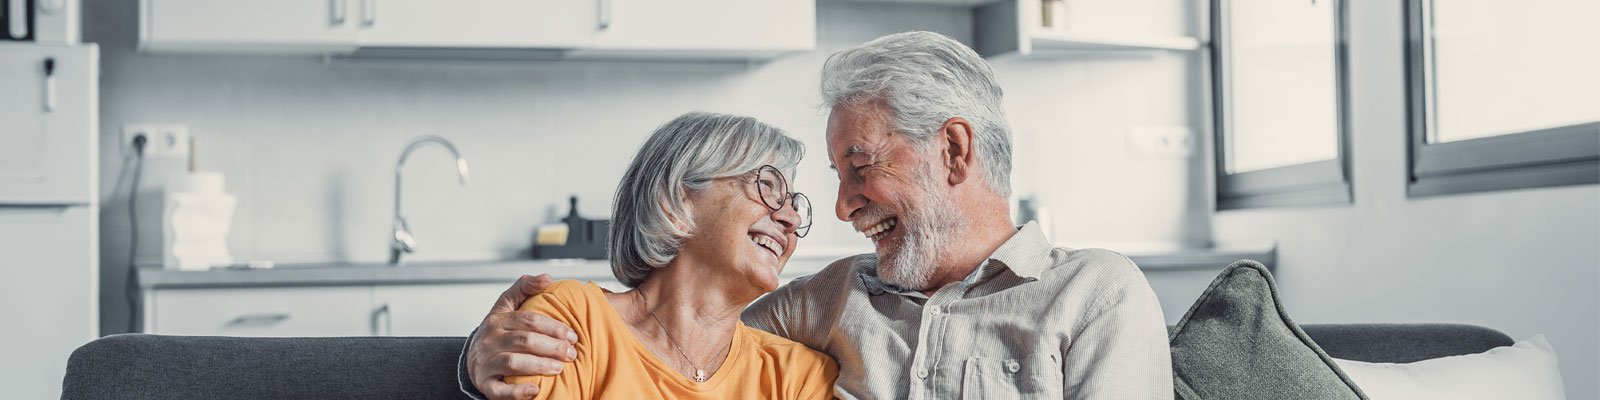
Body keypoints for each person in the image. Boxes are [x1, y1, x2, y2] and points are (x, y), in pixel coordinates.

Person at [462, 31, 1172, 400]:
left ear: (953, 151)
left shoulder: (1096, 294)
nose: (833, 210)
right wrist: (475, 357)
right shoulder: (825, 304)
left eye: (860, 168)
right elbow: (680, 326)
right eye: (831, 180)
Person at [491, 111, 837, 399]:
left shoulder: (797, 377)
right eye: (767, 186)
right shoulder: (572, 319)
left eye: (793, 202)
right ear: (674, 202)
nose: (791, 218)